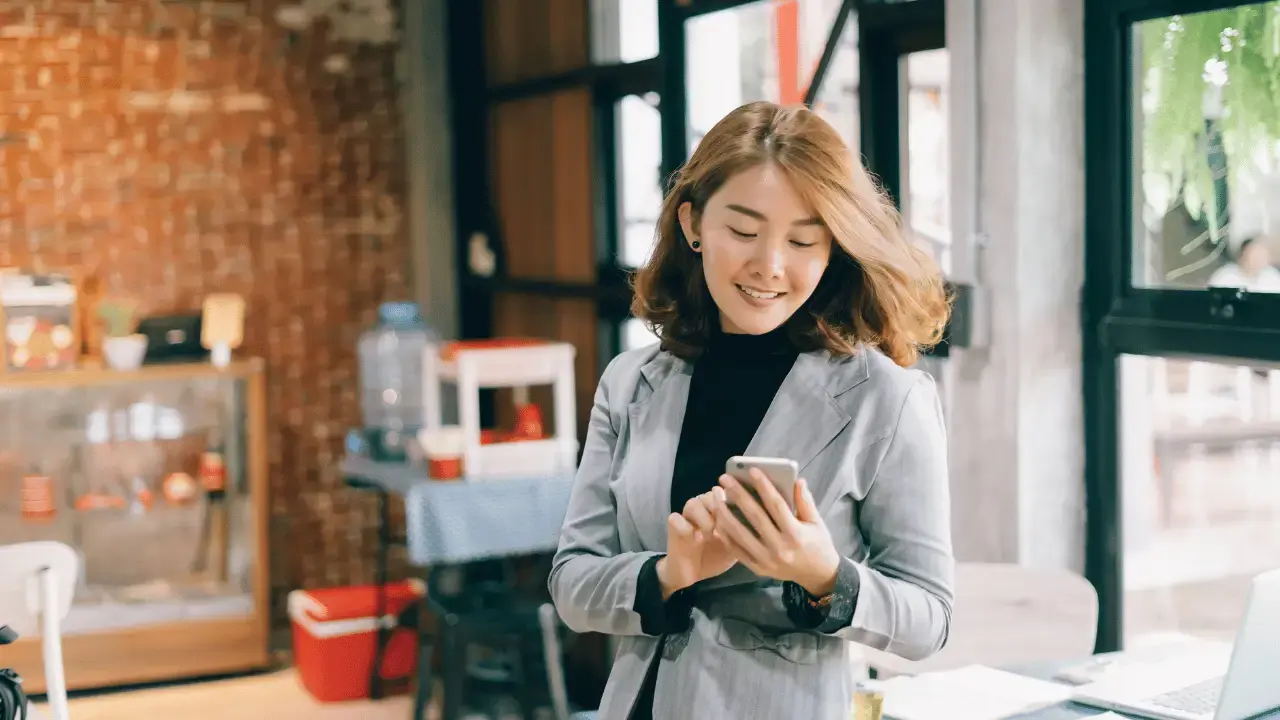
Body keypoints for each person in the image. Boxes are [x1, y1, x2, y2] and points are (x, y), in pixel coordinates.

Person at [548, 101, 955, 720]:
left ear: (834, 247)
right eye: (742, 231)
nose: (769, 265)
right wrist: (667, 572)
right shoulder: (631, 384)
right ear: (692, 224)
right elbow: (573, 583)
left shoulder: (888, 399)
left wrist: (825, 577)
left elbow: (930, 619)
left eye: (801, 240)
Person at [1207, 236, 1280, 293]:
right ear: (1243, 254)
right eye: (1254, 254)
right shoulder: (1225, 276)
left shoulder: (1272, 277)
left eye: (1261, 254)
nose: (1259, 259)